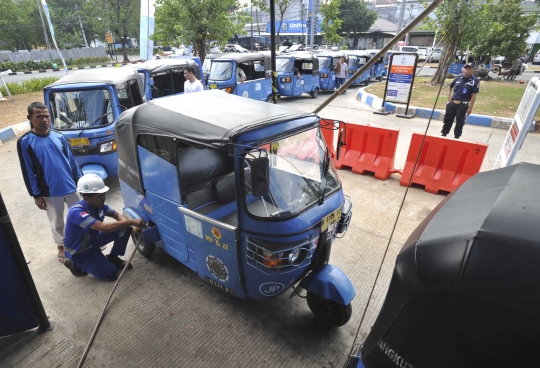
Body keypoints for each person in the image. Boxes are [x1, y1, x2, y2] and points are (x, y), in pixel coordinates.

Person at [17, 102, 82, 264]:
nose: (44, 120)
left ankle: (84, 242)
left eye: (47, 116)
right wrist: (36, 195)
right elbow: (27, 170)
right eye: (39, 116)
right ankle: (61, 247)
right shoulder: (25, 142)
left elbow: (72, 161)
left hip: (71, 186)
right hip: (49, 191)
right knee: (57, 221)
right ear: (29, 118)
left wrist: (81, 181)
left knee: (81, 216)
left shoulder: (58, 136)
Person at [63, 174, 145, 280]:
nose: (104, 198)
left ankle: (113, 257)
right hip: (80, 251)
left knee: (125, 227)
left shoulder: (99, 205)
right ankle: (74, 263)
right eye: (100, 196)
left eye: (104, 194)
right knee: (111, 274)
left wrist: (131, 226)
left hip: (92, 241)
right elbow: (103, 227)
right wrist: (131, 221)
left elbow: (117, 215)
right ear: (87, 198)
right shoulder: (77, 212)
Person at [441, 63, 480, 139]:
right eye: (465, 68)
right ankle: (444, 134)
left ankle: (456, 137)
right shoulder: (458, 77)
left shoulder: (475, 81)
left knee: (460, 122)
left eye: (469, 69)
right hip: (452, 103)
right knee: (447, 120)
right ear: (463, 69)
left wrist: (470, 107)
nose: (467, 71)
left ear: (472, 70)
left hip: (463, 105)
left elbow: (473, 95)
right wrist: (449, 95)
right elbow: (450, 86)